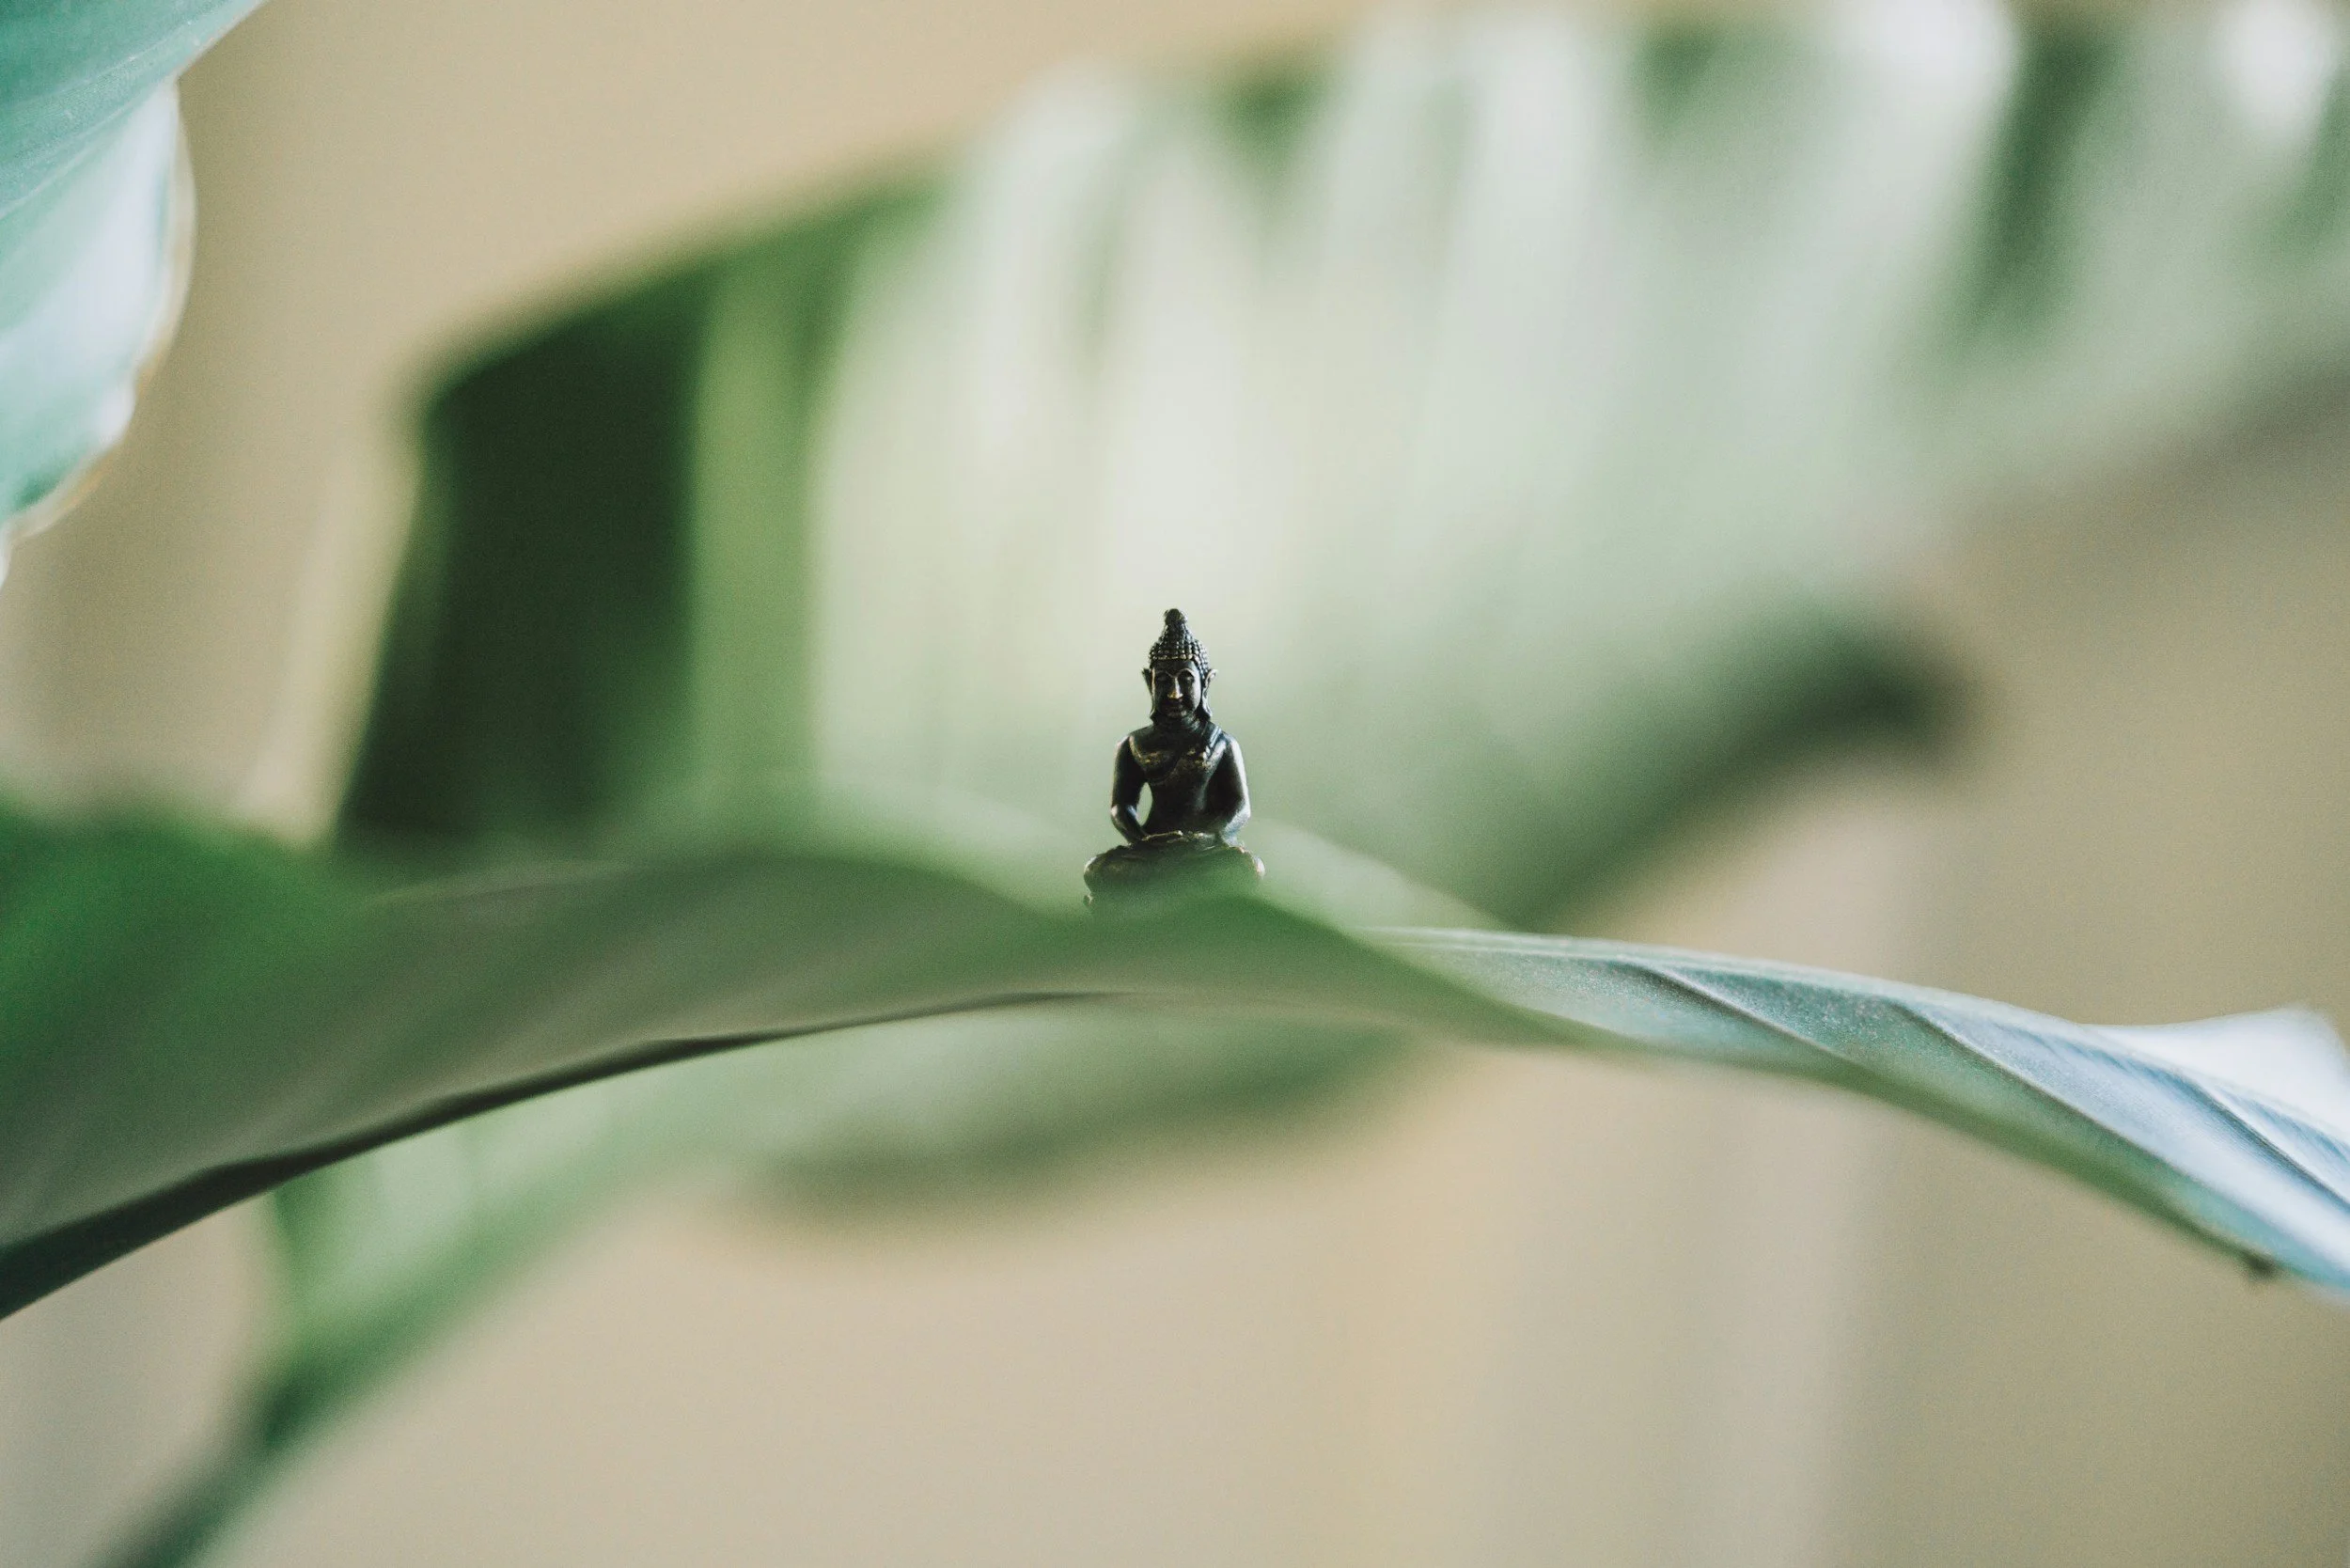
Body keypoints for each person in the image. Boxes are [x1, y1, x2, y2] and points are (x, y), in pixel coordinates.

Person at [1084, 608, 1263, 906]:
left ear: (1206, 682)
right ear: (1148, 682)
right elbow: (1121, 806)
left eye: (1186, 680)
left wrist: (1203, 839)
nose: (1174, 693)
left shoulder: (1221, 743)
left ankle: (1175, 891)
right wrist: (1143, 840)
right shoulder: (1135, 743)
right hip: (1153, 850)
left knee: (1245, 867)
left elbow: (1240, 808)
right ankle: (1179, 889)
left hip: (1203, 851)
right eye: (1164, 681)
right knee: (1098, 869)